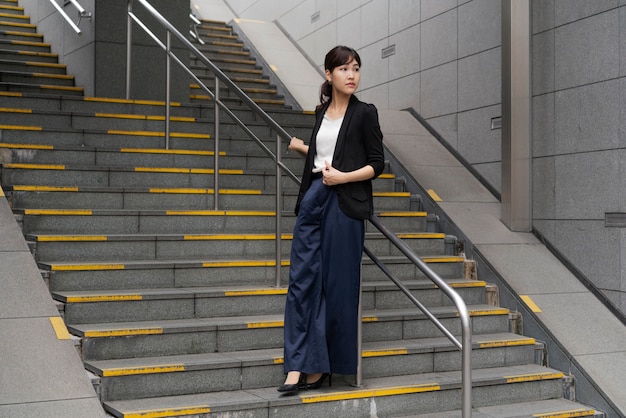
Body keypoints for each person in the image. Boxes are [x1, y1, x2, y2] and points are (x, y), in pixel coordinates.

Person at [278, 45, 385, 394]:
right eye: (343, 69)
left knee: (337, 286)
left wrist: (344, 177)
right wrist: (304, 149)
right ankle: (296, 365)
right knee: (302, 284)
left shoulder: (365, 113)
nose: (351, 74)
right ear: (329, 75)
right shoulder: (321, 113)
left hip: (345, 203)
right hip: (313, 200)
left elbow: (376, 163)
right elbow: (328, 155)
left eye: (356, 68)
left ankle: (323, 367)